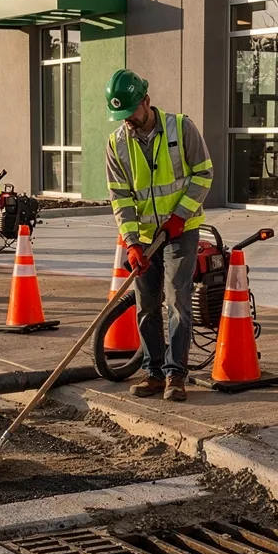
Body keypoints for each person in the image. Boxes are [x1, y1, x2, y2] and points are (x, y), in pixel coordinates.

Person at [104, 69, 212, 402]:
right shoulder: (117, 143)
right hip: (145, 238)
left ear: (146, 102)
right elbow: (121, 197)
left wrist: (180, 216)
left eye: (131, 114)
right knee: (146, 305)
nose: (128, 122)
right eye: (121, 116)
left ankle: (175, 375)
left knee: (177, 300)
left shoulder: (181, 128)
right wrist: (132, 243)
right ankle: (152, 371)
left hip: (181, 231)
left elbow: (204, 173)